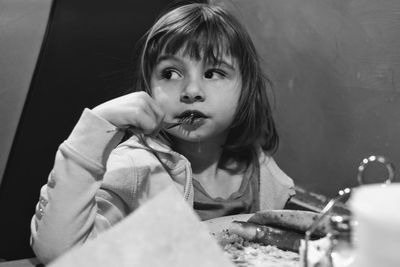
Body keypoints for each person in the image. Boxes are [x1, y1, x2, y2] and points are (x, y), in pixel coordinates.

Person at [30, 2, 295, 263]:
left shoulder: (259, 168)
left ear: (246, 87)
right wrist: (97, 125)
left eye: (213, 72)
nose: (191, 90)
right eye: (170, 73)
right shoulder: (135, 169)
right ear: (148, 87)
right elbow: (60, 254)